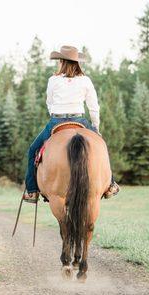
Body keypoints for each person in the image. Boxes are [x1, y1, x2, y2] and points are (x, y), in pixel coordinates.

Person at [23, 45, 119, 203]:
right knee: (101, 146)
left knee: (33, 149)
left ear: (61, 61)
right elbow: (94, 107)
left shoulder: (53, 80)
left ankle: (32, 191)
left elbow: (49, 102)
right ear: (77, 63)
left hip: (57, 120)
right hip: (79, 119)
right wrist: (96, 127)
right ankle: (110, 184)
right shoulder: (85, 80)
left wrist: (56, 115)